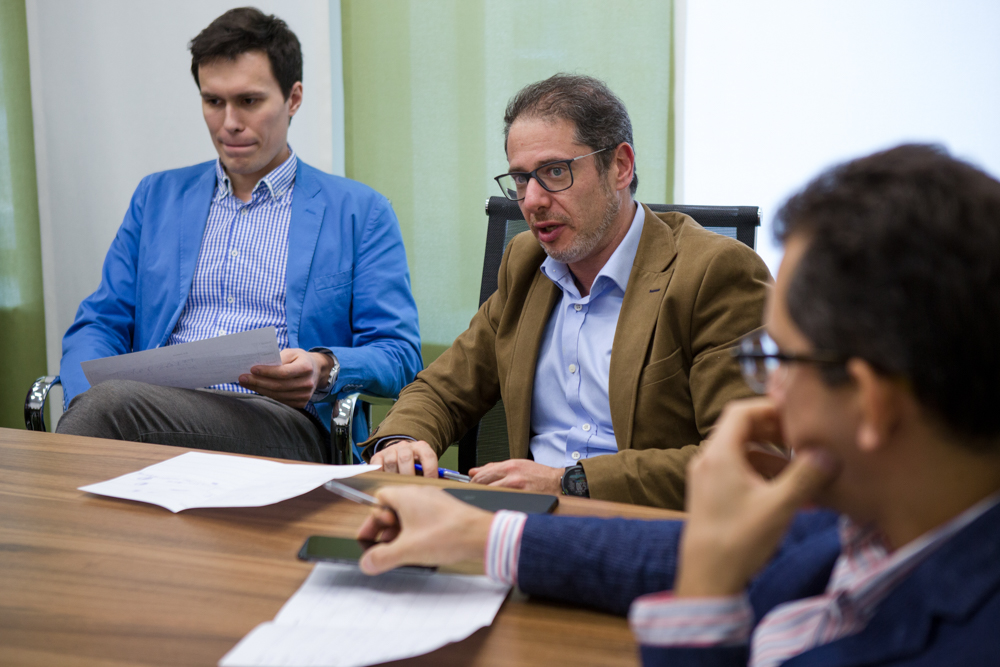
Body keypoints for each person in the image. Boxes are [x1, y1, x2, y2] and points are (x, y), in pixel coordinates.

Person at [355, 144, 1000, 665]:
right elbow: (665, 553)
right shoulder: (861, 526)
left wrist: (704, 597)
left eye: (779, 360)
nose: (768, 394)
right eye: (521, 178)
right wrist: (477, 531)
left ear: (873, 403)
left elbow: (715, 531)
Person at [365, 74, 770, 508]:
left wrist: (567, 482)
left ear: (620, 166)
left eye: (555, 172)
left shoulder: (713, 273)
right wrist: (402, 440)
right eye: (521, 179)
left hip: (645, 528)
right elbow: (444, 389)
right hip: (524, 521)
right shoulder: (525, 264)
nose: (532, 200)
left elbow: (748, 459)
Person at [55, 8, 421, 463]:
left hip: (284, 424)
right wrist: (84, 398)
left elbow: (399, 354)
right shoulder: (157, 197)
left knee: (110, 410)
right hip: (150, 409)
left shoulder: (359, 212)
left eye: (249, 101)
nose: (229, 122)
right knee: (108, 406)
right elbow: (99, 323)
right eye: (213, 101)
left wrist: (323, 367)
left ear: (293, 98)